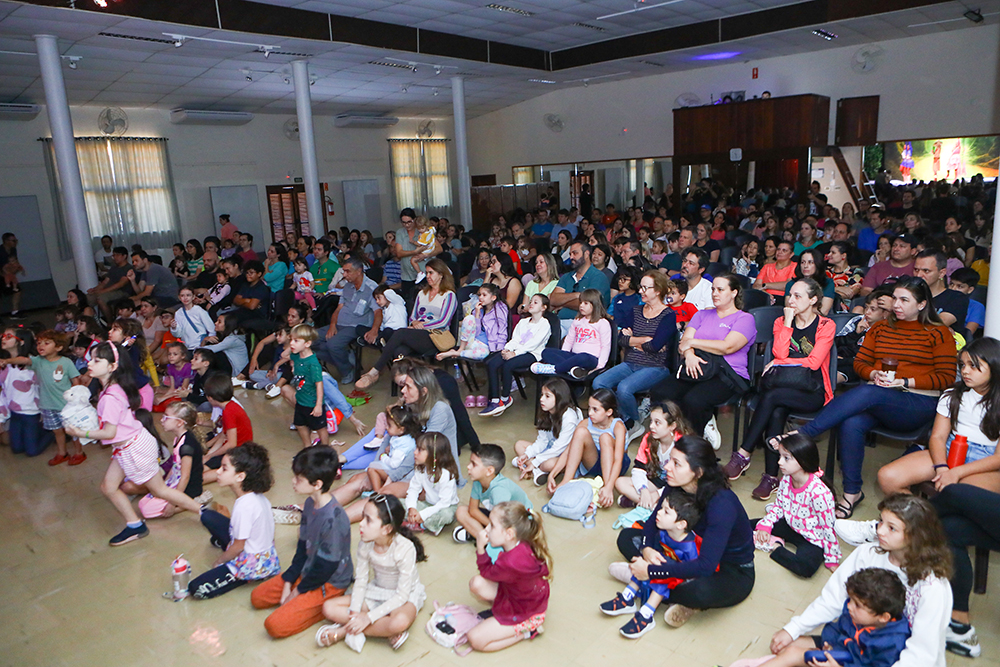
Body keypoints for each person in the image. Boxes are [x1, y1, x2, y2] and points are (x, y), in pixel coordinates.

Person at [782, 277, 957, 519]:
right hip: (879, 398)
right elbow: (860, 363)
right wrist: (873, 373)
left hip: (918, 403)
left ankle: (805, 433)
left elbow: (947, 377)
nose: (896, 304)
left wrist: (904, 382)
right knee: (851, 421)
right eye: (894, 298)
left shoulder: (938, 333)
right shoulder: (880, 328)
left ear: (921, 304)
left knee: (869, 392)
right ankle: (852, 492)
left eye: (904, 300)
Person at [771, 495, 952, 667]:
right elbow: (833, 599)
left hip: (888, 658)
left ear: (916, 537)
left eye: (892, 528)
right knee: (787, 648)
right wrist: (793, 629)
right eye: (881, 521)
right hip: (859, 643)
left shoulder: (932, 587)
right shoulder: (867, 553)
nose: (879, 531)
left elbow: (921, 655)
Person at [65, 342, 202, 545]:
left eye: (96, 360)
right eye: (90, 359)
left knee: (159, 490)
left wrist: (80, 432)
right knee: (109, 487)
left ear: (112, 366)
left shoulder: (109, 396)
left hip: (135, 447)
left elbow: (109, 432)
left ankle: (204, 512)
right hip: (128, 445)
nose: (89, 364)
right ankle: (135, 525)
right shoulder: (111, 388)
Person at [614, 436, 754, 626]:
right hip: (681, 551)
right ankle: (654, 580)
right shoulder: (675, 486)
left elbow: (706, 566)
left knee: (699, 592)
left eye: (676, 464)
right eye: (670, 460)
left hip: (727, 568)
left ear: (698, 472)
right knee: (626, 538)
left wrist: (652, 571)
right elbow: (652, 523)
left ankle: (642, 578)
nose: (667, 467)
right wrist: (647, 550)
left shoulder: (722, 504)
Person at [724, 278, 834, 499]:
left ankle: (744, 453)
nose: (791, 300)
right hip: (782, 387)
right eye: (790, 295)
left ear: (813, 300)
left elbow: (814, 363)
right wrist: (788, 323)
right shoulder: (781, 322)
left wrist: (780, 362)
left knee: (772, 397)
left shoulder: (825, 325)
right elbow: (780, 353)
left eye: (798, 296)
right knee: (776, 410)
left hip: (812, 391)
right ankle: (771, 477)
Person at [875, 337, 1000, 496]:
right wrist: (941, 467)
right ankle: (919, 512)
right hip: (948, 450)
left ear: (994, 366)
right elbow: (938, 437)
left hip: (987, 460)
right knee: (887, 477)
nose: (965, 371)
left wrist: (957, 472)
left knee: (961, 494)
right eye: (963, 365)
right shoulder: (951, 395)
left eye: (973, 366)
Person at [251, 446, 352, 638]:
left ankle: (323, 604)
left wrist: (297, 592)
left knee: (274, 625)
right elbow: (302, 547)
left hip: (329, 581)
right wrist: (290, 579)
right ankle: (303, 597)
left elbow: (326, 567)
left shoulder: (334, 519)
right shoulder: (309, 503)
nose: (293, 481)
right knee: (257, 597)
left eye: (298, 479)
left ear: (317, 484)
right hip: (308, 570)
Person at [734, 568, 910, 667]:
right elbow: (838, 629)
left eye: (857, 605)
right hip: (840, 647)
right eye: (850, 600)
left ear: (883, 617)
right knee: (788, 645)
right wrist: (830, 644)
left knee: (793, 654)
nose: (849, 606)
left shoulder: (891, 643)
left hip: (849, 661)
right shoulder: (858, 613)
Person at [316, 494, 426, 652]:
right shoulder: (365, 544)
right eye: (362, 517)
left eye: (368, 520)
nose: (361, 524)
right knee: (329, 607)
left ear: (387, 529)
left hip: (403, 596)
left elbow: (402, 595)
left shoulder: (405, 548)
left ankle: (344, 631)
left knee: (399, 622)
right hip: (377, 591)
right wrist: (355, 613)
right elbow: (360, 582)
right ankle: (382, 630)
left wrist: (368, 617)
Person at [651, 274, 756, 436]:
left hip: (728, 373)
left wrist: (693, 343)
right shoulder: (701, 315)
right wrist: (689, 355)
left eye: (720, 289)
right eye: (713, 289)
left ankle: (693, 442)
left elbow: (727, 347)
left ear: (734, 293)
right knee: (660, 392)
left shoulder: (744, 318)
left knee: (694, 400)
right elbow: (684, 343)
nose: (714, 293)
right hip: (696, 366)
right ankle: (680, 433)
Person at [599, 490, 701, 638]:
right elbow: (655, 553)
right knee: (649, 559)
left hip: (682, 577)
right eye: (661, 508)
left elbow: (692, 573)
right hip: (665, 569)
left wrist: (661, 571)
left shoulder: (689, 547)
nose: (658, 512)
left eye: (666, 512)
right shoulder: (663, 533)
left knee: (662, 567)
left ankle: (647, 614)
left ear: (681, 524)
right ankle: (628, 596)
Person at [189, 443, 280, 599]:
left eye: (224, 469)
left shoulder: (244, 507)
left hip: (252, 561)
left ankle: (246, 576)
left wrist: (219, 561)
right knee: (208, 516)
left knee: (196, 588)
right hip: (265, 553)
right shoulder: (256, 496)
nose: (218, 471)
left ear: (240, 477)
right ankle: (235, 558)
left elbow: (239, 546)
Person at [593, 271, 677, 438]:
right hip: (630, 362)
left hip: (656, 366)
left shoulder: (668, 315)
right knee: (599, 382)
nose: (640, 291)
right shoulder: (635, 311)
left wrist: (633, 340)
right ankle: (626, 419)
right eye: (641, 287)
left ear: (657, 291)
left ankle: (632, 422)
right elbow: (621, 340)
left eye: (645, 288)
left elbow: (655, 346)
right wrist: (643, 340)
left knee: (624, 388)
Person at [355, 259, 457, 390]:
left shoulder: (448, 295)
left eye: (431, 273)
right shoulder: (422, 294)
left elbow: (443, 321)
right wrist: (415, 322)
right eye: (426, 273)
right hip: (418, 334)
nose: (428, 276)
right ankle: (410, 388)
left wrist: (421, 325)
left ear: (441, 275)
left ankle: (374, 372)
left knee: (401, 333)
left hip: (436, 336)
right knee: (399, 351)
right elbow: (413, 316)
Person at [466, 501, 551, 652]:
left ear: (509, 534)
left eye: (492, 526)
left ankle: (528, 630)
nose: (487, 529)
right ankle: (501, 612)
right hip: (520, 596)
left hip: (526, 612)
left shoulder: (512, 562)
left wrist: (480, 548)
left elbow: (486, 571)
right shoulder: (521, 542)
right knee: (476, 584)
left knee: (475, 639)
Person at [751, 434, 839, 578]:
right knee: (747, 524)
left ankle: (776, 546)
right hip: (790, 525)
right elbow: (779, 506)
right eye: (780, 456)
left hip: (812, 538)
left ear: (803, 460)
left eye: (786, 458)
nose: (779, 462)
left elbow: (828, 528)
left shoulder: (820, 493)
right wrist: (765, 525)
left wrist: (832, 558)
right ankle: (772, 536)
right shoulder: (786, 479)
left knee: (805, 567)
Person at [0, 329, 84, 466]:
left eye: (46, 343)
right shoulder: (38, 361)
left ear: (58, 347)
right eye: (39, 343)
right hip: (48, 405)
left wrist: (77, 398)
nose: (41, 346)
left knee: (73, 432)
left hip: (66, 405)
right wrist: (7, 361)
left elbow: (75, 379)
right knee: (57, 432)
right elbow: (24, 360)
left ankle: (79, 453)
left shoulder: (66, 362)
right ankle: (62, 453)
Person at [546, 389, 629, 509]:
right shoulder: (585, 423)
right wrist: (552, 475)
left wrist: (609, 487)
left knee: (605, 437)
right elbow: (569, 450)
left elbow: (618, 459)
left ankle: (606, 487)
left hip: (615, 466)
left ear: (609, 412)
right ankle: (566, 480)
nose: (590, 413)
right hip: (595, 463)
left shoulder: (618, 426)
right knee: (580, 432)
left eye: (595, 409)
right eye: (589, 408)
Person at [480, 294, 551, 417]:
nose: (531, 304)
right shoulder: (523, 322)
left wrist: (515, 353)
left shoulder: (544, 324)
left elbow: (533, 344)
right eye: (531, 301)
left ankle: (505, 398)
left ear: (543, 307)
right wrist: (507, 349)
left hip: (532, 354)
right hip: (515, 351)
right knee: (492, 363)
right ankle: (495, 400)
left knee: (508, 365)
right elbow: (515, 339)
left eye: (535, 302)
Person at [615, 401, 692, 509]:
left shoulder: (682, 444)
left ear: (672, 426)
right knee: (620, 482)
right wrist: (643, 490)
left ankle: (640, 502)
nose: (651, 426)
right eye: (651, 421)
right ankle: (651, 505)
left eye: (657, 423)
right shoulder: (649, 438)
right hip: (656, 482)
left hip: (675, 486)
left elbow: (684, 481)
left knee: (682, 499)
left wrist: (657, 494)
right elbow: (639, 469)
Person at [453, 444, 532, 543]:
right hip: (498, 517)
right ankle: (486, 539)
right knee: (461, 511)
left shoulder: (499, 491)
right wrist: (491, 526)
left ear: (489, 471)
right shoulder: (478, 481)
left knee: (505, 530)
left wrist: (492, 527)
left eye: (474, 464)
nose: (468, 466)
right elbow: (473, 510)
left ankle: (487, 540)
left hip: (518, 521)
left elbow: (503, 522)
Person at [139, 401, 206, 519]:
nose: (162, 420)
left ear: (180, 423)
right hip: (175, 482)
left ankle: (192, 502)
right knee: (142, 503)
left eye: (166, 417)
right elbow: (175, 466)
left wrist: (172, 503)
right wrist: (164, 485)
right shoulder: (178, 439)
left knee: (147, 511)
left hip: (188, 488)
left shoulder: (186, 446)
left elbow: (185, 477)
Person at [513, 378, 584, 487]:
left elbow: (560, 447)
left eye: (547, 396)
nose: (541, 399)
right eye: (542, 395)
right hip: (550, 449)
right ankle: (536, 470)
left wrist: (535, 461)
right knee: (519, 445)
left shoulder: (569, 417)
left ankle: (534, 467)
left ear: (559, 397)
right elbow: (542, 441)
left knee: (547, 464)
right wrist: (527, 455)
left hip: (566, 455)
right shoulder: (545, 411)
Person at [531, 288, 611, 378]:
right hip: (573, 357)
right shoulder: (577, 320)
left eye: (585, 303)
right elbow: (569, 340)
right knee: (546, 352)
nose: (581, 306)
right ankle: (572, 370)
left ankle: (555, 369)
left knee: (583, 357)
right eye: (580, 302)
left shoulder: (603, 323)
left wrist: (599, 366)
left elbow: (605, 346)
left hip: (590, 358)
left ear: (595, 305)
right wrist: (564, 354)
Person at [281, 324, 329, 449]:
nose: (292, 343)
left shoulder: (313, 364)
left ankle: (326, 448)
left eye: (296, 341)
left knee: (320, 427)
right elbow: (284, 355)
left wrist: (318, 405)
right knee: (299, 424)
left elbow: (319, 384)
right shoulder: (297, 356)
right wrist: (292, 344)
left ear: (307, 344)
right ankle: (307, 446)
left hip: (312, 402)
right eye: (291, 339)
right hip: (301, 400)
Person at [403, 431, 460, 535]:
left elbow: (444, 503)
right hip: (427, 504)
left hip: (445, 507)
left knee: (446, 515)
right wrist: (412, 508)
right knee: (397, 502)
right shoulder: (421, 469)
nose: (414, 452)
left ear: (434, 456)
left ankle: (421, 525)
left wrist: (423, 515)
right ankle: (421, 522)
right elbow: (413, 490)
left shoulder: (446, 474)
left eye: (420, 450)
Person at [550, 242, 611, 337]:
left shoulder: (598, 277)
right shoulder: (567, 276)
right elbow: (553, 299)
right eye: (570, 254)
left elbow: (589, 305)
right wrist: (577, 295)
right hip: (560, 323)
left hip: (587, 326)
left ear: (586, 254)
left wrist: (562, 303)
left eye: (575, 253)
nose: (571, 257)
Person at [202, 373, 253, 485]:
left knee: (200, 476)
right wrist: (208, 454)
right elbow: (223, 435)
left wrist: (210, 456)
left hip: (238, 452)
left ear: (210, 398)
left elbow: (231, 444)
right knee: (203, 464)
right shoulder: (230, 406)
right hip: (239, 449)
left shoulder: (228, 412)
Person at [436, 283, 508, 362]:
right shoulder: (479, 308)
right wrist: (477, 314)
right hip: (473, 340)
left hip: (487, 345)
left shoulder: (500, 309)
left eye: (484, 295)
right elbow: (477, 331)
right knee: (469, 318)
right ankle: (460, 349)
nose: (480, 297)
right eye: (479, 295)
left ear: (493, 297)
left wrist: (499, 349)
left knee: (483, 354)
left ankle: (457, 353)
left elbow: (502, 331)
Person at [913, 249, 968, 333]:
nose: (919, 275)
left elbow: (937, 325)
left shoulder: (957, 298)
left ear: (941, 273)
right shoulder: (909, 294)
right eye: (916, 270)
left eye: (926, 271)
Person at [783, 249, 834, 315]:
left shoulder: (827, 283)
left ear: (818, 264)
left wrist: (799, 309)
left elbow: (823, 311)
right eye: (803, 262)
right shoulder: (792, 284)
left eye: (810, 262)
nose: (805, 266)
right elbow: (789, 308)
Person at [87, 246, 131, 320]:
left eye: (117, 255)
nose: (114, 257)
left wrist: (102, 291)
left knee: (101, 298)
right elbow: (105, 282)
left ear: (124, 256)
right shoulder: (113, 268)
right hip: (109, 290)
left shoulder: (128, 268)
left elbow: (120, 284)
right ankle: (92, 320)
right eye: (113, 255)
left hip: (122, 291)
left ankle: (110, 321)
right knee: (87, 298)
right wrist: (95, 289)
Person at [202, 312, 248, 376]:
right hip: (231, 368)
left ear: (227, 325)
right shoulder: (223, 337)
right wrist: (204, 341)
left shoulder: (233, 339)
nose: (215, 323)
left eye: (219, 322)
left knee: (216, 354)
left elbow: (211, 349)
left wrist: (194, 350)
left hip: (237, 373)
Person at [171, 286, 215, 351]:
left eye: (188, 295)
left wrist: (206, 343)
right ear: (179, 297)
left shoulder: (199, 310)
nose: (185, 298)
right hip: (187, 347)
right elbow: (178, 334)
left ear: (193, 297)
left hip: (200, 345)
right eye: (182, 295)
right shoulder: (178, 313)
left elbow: (211, 328)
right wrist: (174, 328)